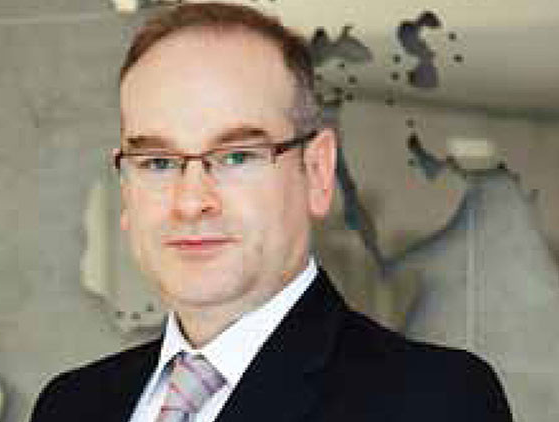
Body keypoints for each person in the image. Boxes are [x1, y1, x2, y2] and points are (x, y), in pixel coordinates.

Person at [30, 2, 513, 421]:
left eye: (237, 156)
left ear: (317, 173)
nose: (191, 201)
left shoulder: (434, 402)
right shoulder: (69, 406)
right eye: (157, 162)